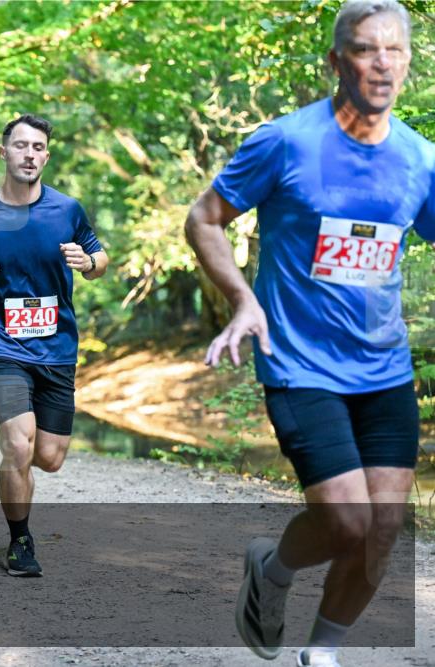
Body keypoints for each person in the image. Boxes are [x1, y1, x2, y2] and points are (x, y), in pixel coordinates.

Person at [184, 2, 434, 665]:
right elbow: (204, 219)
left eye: (395, 50)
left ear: (409, 61)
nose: (382, 63)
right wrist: (243, 298)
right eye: (365, 49)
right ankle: (271, 570)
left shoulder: (420, 159)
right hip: (298, 363)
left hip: (385, 369)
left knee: (383, 528)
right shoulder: (286, 142)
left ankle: (321, 654)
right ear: (336, 62)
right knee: (346, 521)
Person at [0, 114, 108, 577]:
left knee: (48, 458)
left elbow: (100, 257)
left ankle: (20, 469)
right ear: (3, 151)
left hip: (57, 349)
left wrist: (89, 262)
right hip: (2, 345)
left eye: (38, 147)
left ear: (46, 156)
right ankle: (20, 540)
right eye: (20, 145)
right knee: (18, 443)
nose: (29, 154)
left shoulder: (67, 210)